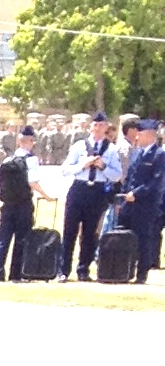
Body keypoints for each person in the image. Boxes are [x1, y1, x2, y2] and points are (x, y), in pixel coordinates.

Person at [59, 113, 121, 281]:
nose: (98, 128)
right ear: (91, 127)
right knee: (69, 230)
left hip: (97, 191)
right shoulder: (80, 146)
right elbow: (65, 169)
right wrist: (83, 165)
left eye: (102, 125)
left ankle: (83, 270)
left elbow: (117, 175)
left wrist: (103, 166)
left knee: (90, 232)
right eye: (95, 125)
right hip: (79, 189)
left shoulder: (111, 149)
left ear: (106, 127)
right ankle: (63, 270)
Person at [0, 124, 44, 282]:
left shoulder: (7, 160)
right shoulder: (32, 160)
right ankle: (16, 274)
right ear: (29, 141)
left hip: (7, 204)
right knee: (21, 240)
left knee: (3, 240)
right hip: (23, 205)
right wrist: (46, 196)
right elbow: (32, 182)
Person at [121, 114, 165, 283]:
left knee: (144, 239)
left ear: (150, 135)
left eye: (140, 134)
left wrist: (136, 193)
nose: (137, 137)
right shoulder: (137, 153)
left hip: (146, 204)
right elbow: (130, 176)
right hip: (129, 203)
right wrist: (123, 195)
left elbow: (156, 181)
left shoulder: (159, 155)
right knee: (127, 237)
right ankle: (125, 271)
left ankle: (141, 274)